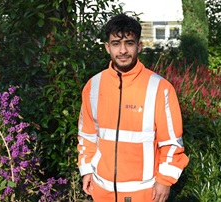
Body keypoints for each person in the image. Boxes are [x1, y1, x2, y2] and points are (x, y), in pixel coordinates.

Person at [77, 13, 189, 202]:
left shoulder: (159, 88)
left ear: (139, 46)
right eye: (116, 44)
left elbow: (171, 142)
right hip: (101, 190)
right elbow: (87, 135)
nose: (122, 50)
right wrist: (87, 169)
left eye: (129, 43)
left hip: (143, 193)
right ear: (107, 47)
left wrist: (165, 181)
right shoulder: (93, 86)